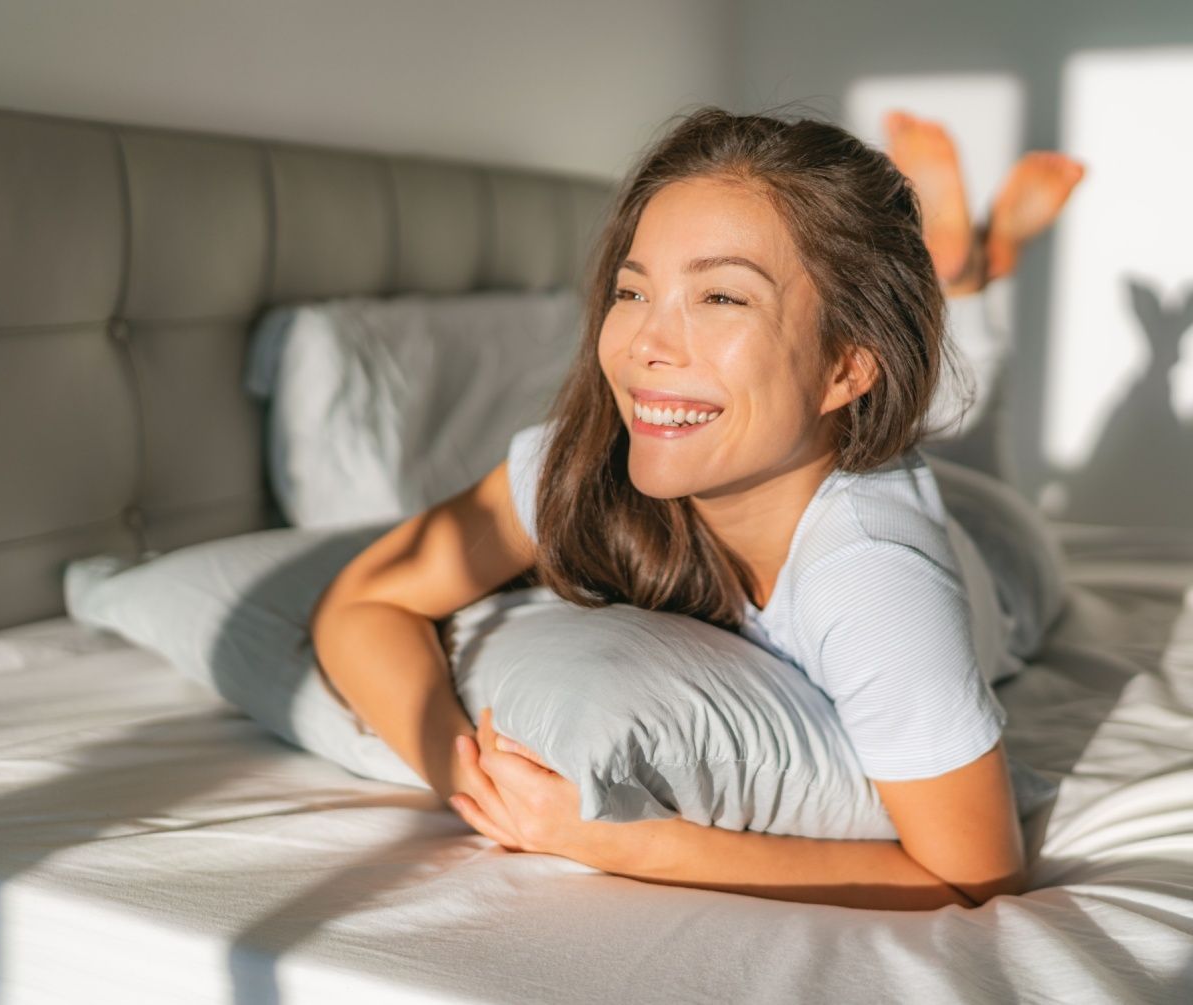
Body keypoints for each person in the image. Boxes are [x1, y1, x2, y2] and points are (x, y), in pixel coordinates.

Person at [310, 105, 1080, 913]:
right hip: (829, 455)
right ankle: (962, 275)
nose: (645, 342)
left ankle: (965, 286)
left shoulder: (879, 581)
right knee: (941, 436)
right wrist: (459, 769)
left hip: (993, 555)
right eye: (632, 289)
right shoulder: (582, 461)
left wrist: (622, 839)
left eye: (719, 297)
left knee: (975, 452)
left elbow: (975, 876)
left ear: (845, 365)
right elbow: (364, 600)